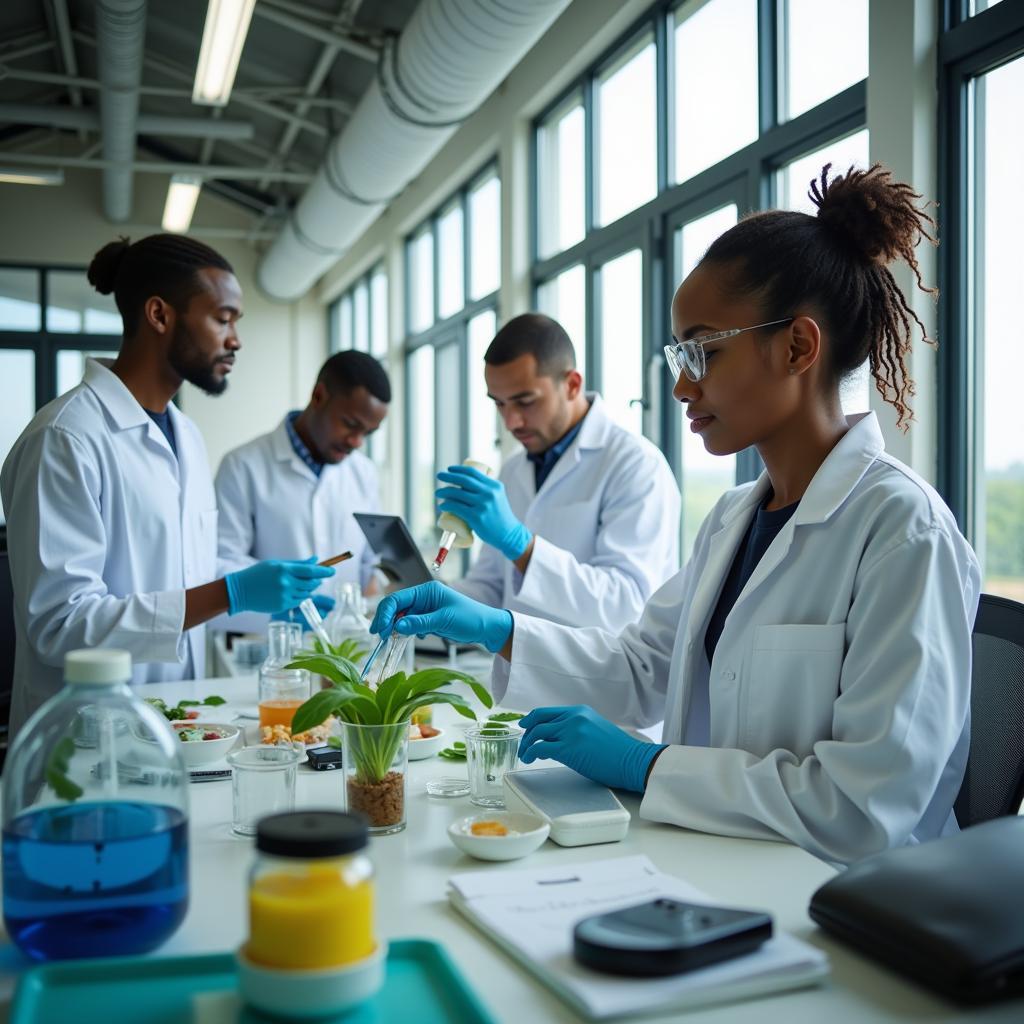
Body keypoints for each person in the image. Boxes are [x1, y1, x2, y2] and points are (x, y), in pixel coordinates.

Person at [372, 165, 981, 866]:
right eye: (678, 354)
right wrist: (495, 627)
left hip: (849, 906)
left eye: (704, 351)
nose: (682, 385)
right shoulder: (731, 518)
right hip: (718, 860)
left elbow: (864, 805)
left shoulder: (903, 532)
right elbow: (641, 669)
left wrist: (649, 767)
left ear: (798, 347)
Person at [1, 235, 335, 737]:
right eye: (223, 318)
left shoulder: (188, 437)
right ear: (160, 315)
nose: (236, 339)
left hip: (176, 725)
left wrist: (258, 593)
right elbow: (59, 626)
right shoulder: (65, 438)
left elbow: (181, 574)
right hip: (83, 742)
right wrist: (231, 591)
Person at [436, 313, 680, 631]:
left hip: (598, 678)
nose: (511, 422)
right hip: (519, 674)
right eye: (499, 404)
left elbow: (626, 604)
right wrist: (436, 598)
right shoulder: (513, 469)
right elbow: (493, 589)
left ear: (572, 384)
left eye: (525, 402)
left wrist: (520, 545)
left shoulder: (636, 465)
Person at [214, 350, 389, 629]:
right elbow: (221, 563)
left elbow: (372, 562)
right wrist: (276, 611)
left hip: (346, 647)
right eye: (351, 424)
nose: (357, 442)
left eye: (367, 433)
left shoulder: (364, 473)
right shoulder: (242, 466)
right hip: (271, 643)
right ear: (319, 396)